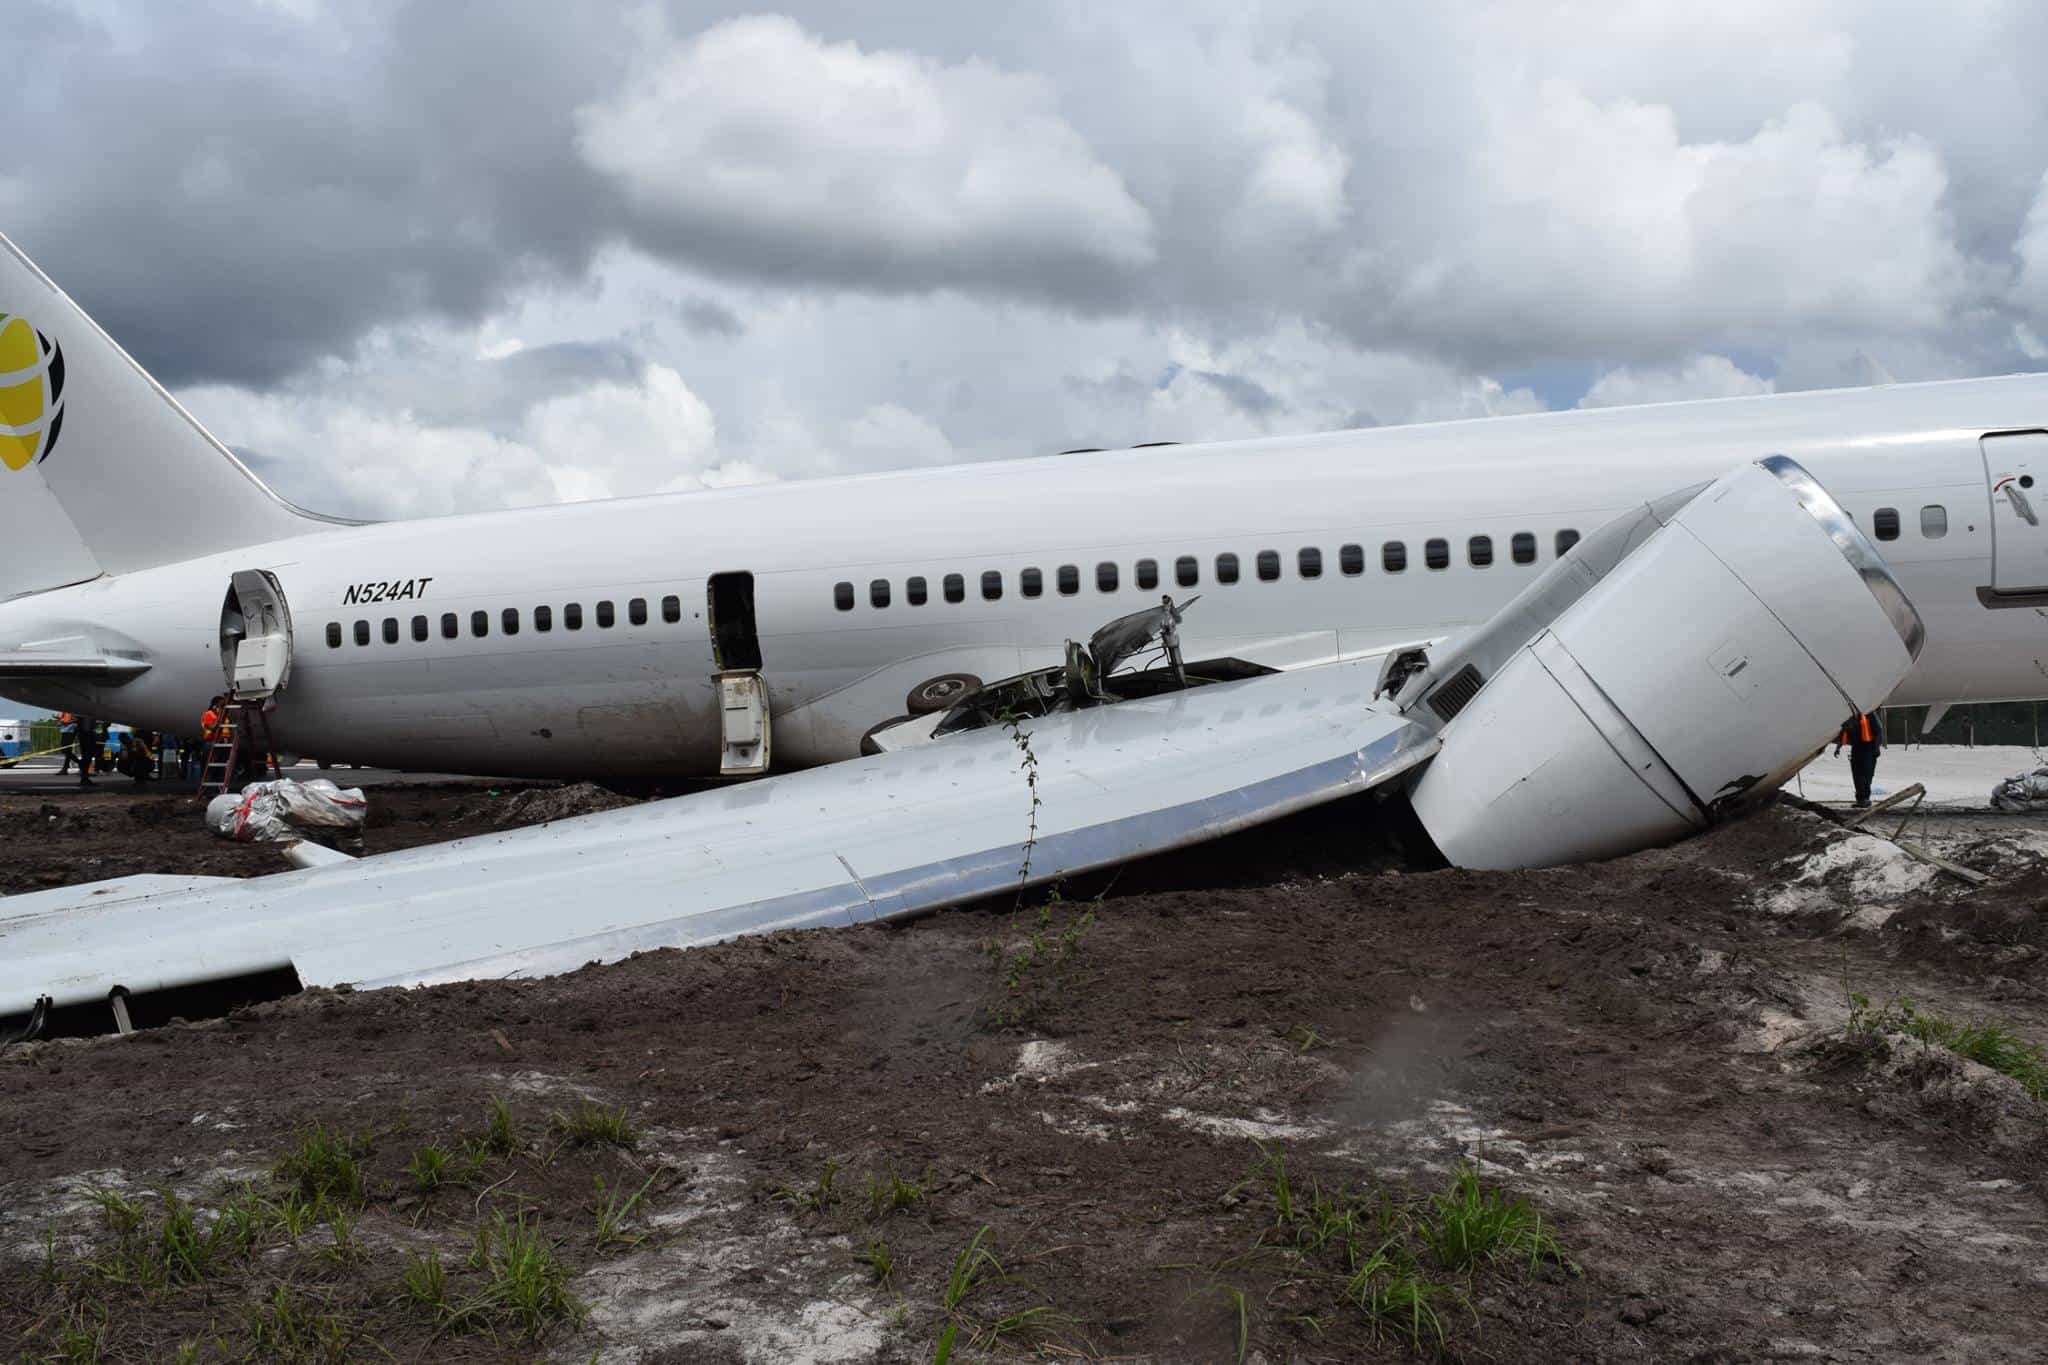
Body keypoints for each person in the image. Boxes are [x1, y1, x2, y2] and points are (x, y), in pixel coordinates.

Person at [1833, 710, 1886, 808]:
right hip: (1857, 748)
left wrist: (1877, 748)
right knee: (1857, 774)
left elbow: (1879, 732)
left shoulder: (1869, 714)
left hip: (1869, 748)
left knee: (1866, 774)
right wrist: (1838, 747)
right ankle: (1861, 799)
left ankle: (1865, 798)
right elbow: (1844, 731)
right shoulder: (1851, 717)